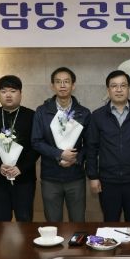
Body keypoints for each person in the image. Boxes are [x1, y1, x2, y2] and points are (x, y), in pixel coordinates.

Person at [85, 70, 130, 222]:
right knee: (110, 223)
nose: (119, 89)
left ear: (129, 89)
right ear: (108, 90)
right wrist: (93, 176)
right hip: (108, 181)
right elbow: (91, 148)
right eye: (114, 86)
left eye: (123, 85)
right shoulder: (97, 116)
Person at [32, 67, 91, 223]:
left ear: (73, 85)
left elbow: (90, 144)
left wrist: (76, 159)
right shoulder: (42, 111)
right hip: (50, 177)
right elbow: (36, 141)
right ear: (52, 86)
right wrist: (59, 154)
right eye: (58, 82)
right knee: (53, 223)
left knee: (78, 222)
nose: (62, 85)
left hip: (75, 176)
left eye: (66, 82)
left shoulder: (83, 113)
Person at [0, 75, 38, 222]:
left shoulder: (32, 116)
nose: (8, 95)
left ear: (21, 93)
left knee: (24, 221)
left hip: (24, 178)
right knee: (0, 221)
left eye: (13, 91)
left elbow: (36, 146)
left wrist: (20, 168)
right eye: (3, 91)